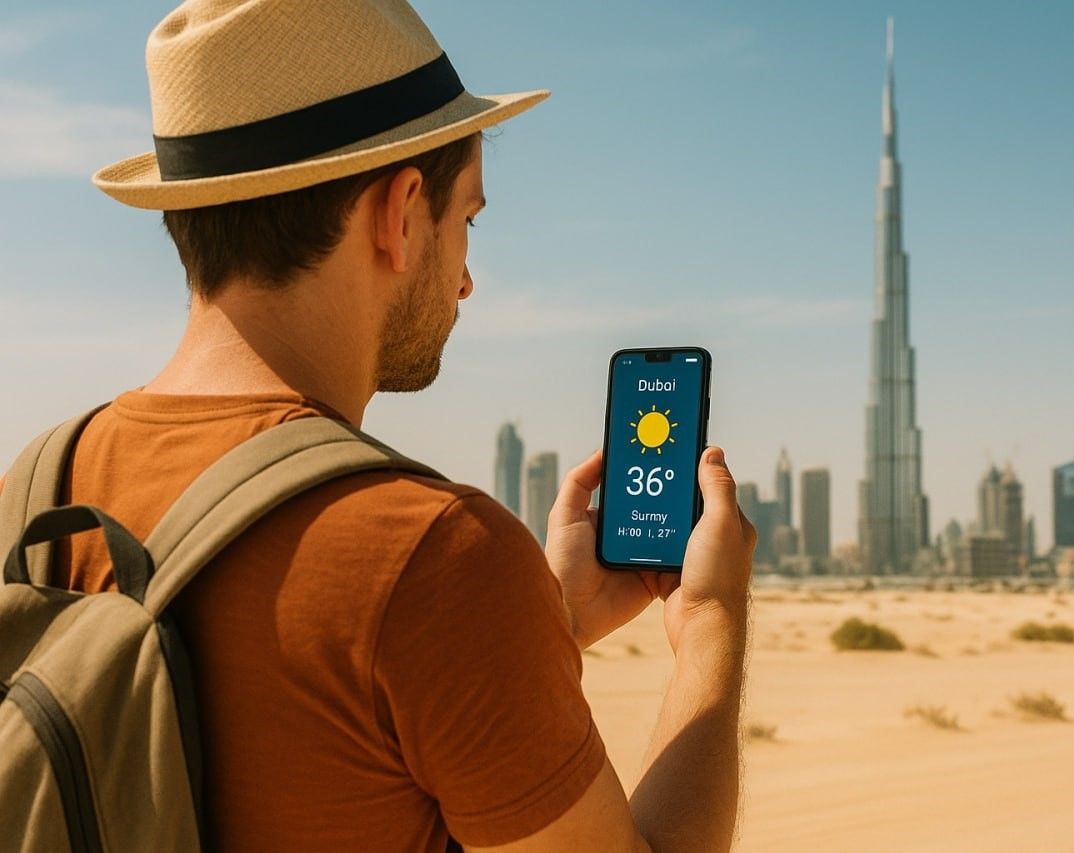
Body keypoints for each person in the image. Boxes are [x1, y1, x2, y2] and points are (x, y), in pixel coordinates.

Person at [1, 1, 756, 850]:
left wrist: (545, 621)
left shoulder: (28, 494)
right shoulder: (434, 552)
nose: (467, 281)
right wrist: (710, 627)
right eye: (466, 220)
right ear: (400, 213)